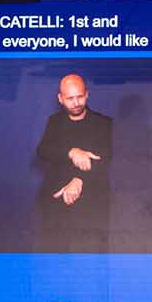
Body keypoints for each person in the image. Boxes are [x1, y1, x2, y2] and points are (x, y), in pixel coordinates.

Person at [33, 73, 113, 253]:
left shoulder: (105, 123)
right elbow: (43, 151)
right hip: (55, 205)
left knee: (89, 258)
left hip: (92, 206)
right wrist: (71, 151)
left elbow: (106, 158)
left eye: (80, 97)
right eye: (70, 98)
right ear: (60, 98)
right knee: (54, 256)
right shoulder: (54, 121)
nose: (76, 103)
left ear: (87, 94)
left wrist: (78, 180)